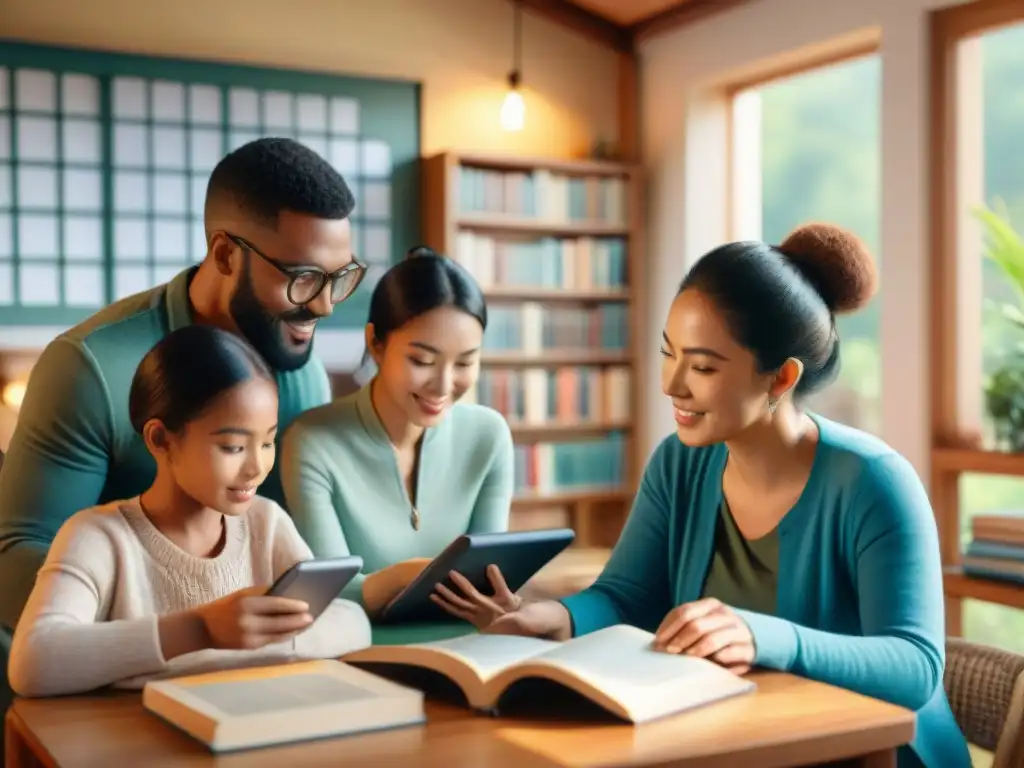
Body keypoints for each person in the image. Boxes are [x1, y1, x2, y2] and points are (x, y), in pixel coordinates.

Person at [460, 224, 971, 768]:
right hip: (742, 741)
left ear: (780, 379)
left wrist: (763, 636)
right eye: (668, 353)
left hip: (870, 754)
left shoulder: (873, 482)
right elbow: (628, 595)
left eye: (702, 366)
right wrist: (558, 617)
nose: (672, 384)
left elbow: (915, 667)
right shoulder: (680, 462)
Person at [0, 137, 363, 638]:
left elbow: (290, 546)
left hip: (248, 665)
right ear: (225, 253)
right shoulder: (91, 367)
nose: (324, 307)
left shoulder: (300, 370)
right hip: (102, 673)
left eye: (338, 279)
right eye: (302, 278)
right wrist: (187, 629)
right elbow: (17, 555)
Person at [7, 325, 370, 697]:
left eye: (266, 442)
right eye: (232, 447)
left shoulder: (267, 522)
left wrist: (144, 669)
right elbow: (33, 663)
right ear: (161, 440)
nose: (256, 468)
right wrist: (201, 630)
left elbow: (352, 624)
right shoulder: (97, 537)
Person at [280, 248, 516, 619]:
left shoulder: (489, 435)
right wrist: (414, 574)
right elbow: (330, 595)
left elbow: (489, 578)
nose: (442, 385)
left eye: (465, 362)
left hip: (466, 645)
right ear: (375, 343)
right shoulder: (312, 442)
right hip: (354, 651)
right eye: (421, 361)